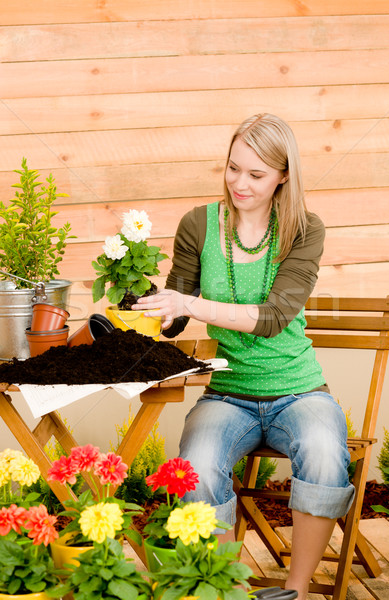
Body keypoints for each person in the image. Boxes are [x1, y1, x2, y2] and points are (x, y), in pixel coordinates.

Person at [133, 113, 355, 600]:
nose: (239, 183)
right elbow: (178, 311)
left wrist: (188, 302)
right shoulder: (198, 224)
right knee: (197, 462)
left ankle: (294, 591)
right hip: (227, 393)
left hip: (298, 390)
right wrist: (147, 300)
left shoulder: (303, 229)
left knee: (322, 453)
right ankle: (224, 589)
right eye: (233, 168)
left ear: (283, 176)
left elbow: (273, 316)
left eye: (255, 174)